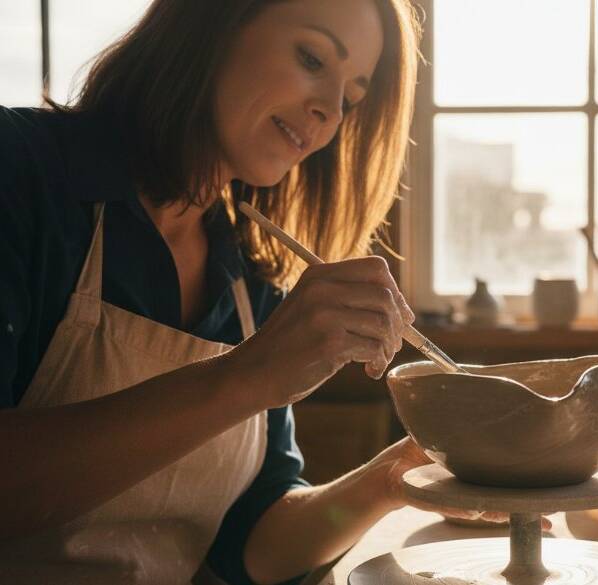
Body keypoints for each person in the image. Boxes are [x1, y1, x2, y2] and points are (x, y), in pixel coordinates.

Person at [0, 1, 514, 583]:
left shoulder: (249, 273)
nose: (327, 111)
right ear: (213, 21)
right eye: (311, 57)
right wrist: (247, 377)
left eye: (350, 98)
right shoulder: (20, 171)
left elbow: (252, 544)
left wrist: (395, 478)